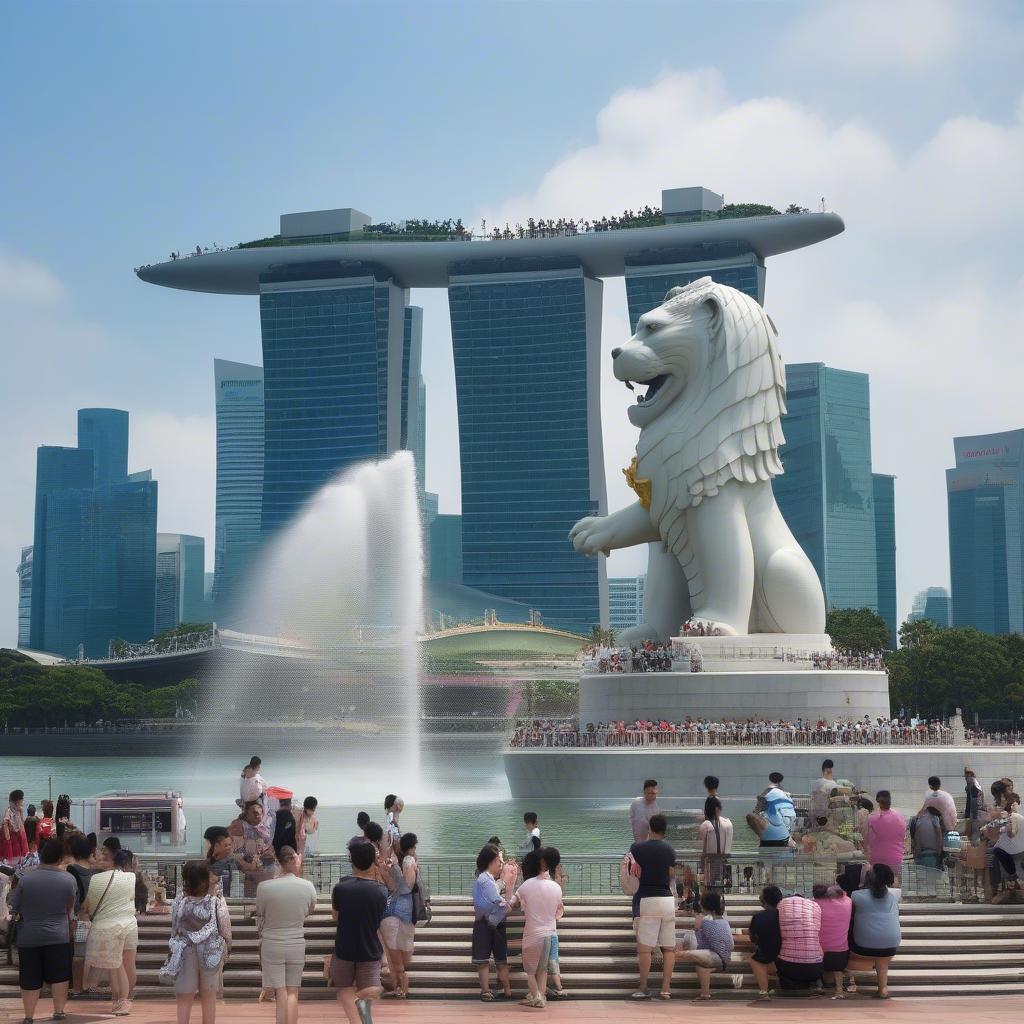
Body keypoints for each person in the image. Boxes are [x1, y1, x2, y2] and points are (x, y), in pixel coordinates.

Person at [9, 837, 77, 1023]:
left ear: (41, 855)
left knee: (30, 977)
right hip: (58, 936)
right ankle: (59, 1012)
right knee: (59, 976)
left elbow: (13, 907)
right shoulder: (68, 880)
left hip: (29, 936)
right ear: (60, 858)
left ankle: (29, 1016)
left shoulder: (25, 879)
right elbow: (70, 908)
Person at [255, 846, 317, 1024]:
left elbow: (261, 912)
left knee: (280, 992)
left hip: (272, 942)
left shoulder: (264, 887)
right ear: (294, 860)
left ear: (278, 862)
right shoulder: (308, 886)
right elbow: (309, 910)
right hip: (296, 941)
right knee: (293, 992)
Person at [168, 860, 232, 1024]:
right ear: (205, 880)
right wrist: (228, 946)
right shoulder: (215, 901)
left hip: (185, 952)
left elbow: (175, 928)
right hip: (210, 953)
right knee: (209, 996)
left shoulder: (179, 902)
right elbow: (224, 927)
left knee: (184, 995)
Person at [331, 840, 387, 1024]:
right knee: (367, 995)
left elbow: (335, 916)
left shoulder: (340, 888)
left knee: (345, 992)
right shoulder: (381, 891)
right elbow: (379, 923)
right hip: (370, 950)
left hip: (344, 949)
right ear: (373, 861)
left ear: (352, 861)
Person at [84, 847, 140, 1016]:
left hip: (108, 927)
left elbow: (89, 906)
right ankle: (126, 998)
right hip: (129, 924)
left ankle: (120, 1000)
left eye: (104, 857)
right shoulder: (131, 877)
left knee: (116, 966)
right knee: (128, 964)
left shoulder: (96, 879)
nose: (100, 859)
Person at [629, 813, 676, 1000]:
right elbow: (671, 873)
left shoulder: (638, 848)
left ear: (650, 828)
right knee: (669, 948)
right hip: (667, 899)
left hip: (648, 899)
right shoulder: (670, 850)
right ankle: (665, 989)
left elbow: (633, 856)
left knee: (645, 948)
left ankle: (643, 987)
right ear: (665, 830)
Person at [510, 848, 564, 1009]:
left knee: (530, 971)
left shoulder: (526, 886)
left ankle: (536, 997)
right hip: (550, 934)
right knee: (542, 970)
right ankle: (540, 997)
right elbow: (559, 912)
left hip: (532, 935)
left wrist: (509, 884)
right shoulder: (556, 887)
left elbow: (510, 904)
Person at [846, 864, 901, 998]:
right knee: (882, 957)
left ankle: (844, 977)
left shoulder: (856, 895)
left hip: (862, 947)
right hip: (891, 947)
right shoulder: (896, 894)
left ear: (868, 879)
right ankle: (883, 989)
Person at [472, 843, 512, 1001]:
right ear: (491, 861)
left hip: (490, 923)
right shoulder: (484, 880)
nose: (501, 865)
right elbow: (496, 902)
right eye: (500, 862)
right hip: (489, 923)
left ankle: (498, 990)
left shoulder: (486, 880)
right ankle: (491, 990)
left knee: (495, 959)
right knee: (490, 959)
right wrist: (506, 904)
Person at [675, 891, 734, 1001]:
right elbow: (731, 943)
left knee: (683, 953)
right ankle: (705, 994)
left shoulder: (706, 922)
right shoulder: (724, 921)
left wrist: (697, 929)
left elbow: (701, 944)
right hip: (725, 957)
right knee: (701, 967)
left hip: (717, 957)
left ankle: (667, 960)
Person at [380, 832, 419, 999]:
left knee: (394, 946)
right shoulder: (409, 861)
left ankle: (400, 982)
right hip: (403, 908)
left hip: (396, 908)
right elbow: (408, 886)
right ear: (412, 846)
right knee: (399, 946)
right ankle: (401, 982)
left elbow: (403, 886)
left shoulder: (403, 861)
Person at [66, 831, 98, 996]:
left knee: (78, 955)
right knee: (92, 954)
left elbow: (73, 896)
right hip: (96, 919)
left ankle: (77, 987)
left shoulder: (72, 869)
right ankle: (90, 984)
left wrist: (71, 918)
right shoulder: (96, 871)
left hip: (80, 917)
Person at [776, 893, 823, 991]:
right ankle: (815, 983)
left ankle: (789, 988)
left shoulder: (781, 905)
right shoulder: (816, 907)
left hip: (789, 967)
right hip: (816, 967)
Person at [228, 799, 276, 897]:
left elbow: (269, 850)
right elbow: (228, 850)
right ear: (246, 814)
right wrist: (243, 862)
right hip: (241, 876)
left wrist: (265, 856)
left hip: (259, 872)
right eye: (255, 813)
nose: (258, 815)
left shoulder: (263, 829)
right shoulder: (238, 827)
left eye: (260, 812)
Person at [814, 883, 852, 998]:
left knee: (818, 966)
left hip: (818, 950)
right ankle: (839, 990)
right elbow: (844, 895)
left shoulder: (815, 903)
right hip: (840, 950)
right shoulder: (847, 902)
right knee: (838, 970)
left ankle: (819, 986)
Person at [748, 885, 783, 1000]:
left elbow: (753, 938)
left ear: (764, 900)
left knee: (755, 959)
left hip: (769, 955)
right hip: (785, 954)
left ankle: (764, 991)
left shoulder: (758, 917)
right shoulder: (783, 915)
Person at [990, 791, 1024, 903]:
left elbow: (1012, 832)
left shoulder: (1014, 817)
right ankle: (1012, 889)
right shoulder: (1008, 817)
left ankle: (1013, 887)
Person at [746, 772, 796, 847]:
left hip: (775, 827)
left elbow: (757, 810)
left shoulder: (767, 793)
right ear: (780, 781)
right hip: (787, 827)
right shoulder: (785, 794)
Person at [865, 791, 907, 873]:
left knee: (877, 883)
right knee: (893, 884)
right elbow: (902, 836)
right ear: (890, 801)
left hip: (877, 861)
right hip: (896, 861)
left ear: (878, 802)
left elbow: (866, 840)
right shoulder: (900, 816)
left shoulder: (872, 818)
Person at [698, 797, 733, 890]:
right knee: (718, 887)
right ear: (717, 809)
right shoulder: (727, 824)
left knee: (710, 887)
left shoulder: (705, 825)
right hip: (720, 861)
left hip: (711, 862)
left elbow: (702, 848)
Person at [204, 826, 235, 897]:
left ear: (216, 846)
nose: (204, 846)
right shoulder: (210, 863)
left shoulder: (222, 866)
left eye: (207, 843)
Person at [0, 789, 28, 861]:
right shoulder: (8, 813)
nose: (23, 800)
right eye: (22, 799)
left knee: (19, 857)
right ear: (17, 801)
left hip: (18, 836)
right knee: (11, 858)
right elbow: (5, 826)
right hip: (9, 837)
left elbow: (21, 823)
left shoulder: (19, 810)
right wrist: (8, 842)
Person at [964, 767, 988, 840]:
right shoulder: (975, 783)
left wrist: (972, 815)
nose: (965, 777)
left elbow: (974, 801)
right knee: (977, 831)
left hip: (976, 811)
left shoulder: (972, 783)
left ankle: (975, 847)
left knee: (975, 832)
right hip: (979, 810)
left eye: (967, 775)